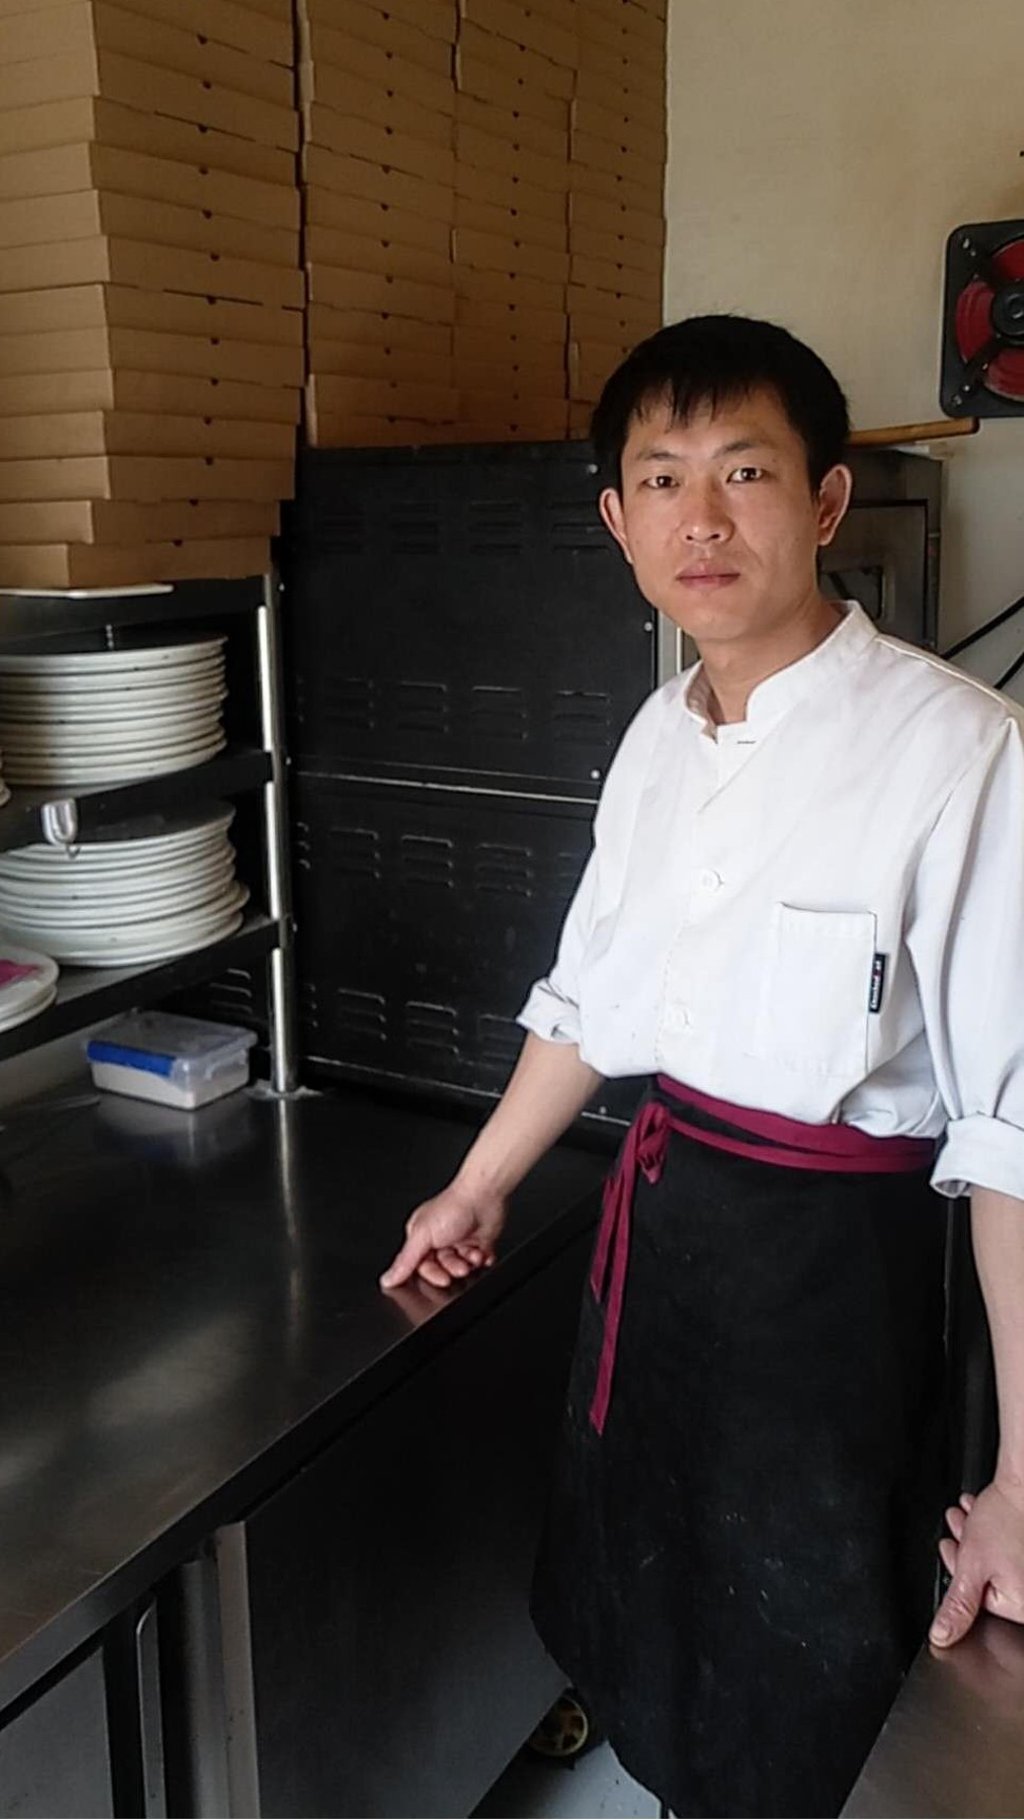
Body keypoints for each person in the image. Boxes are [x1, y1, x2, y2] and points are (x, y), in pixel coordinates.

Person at [380, 315, 1024, 1817]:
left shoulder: (961, 752)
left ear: (827, 501)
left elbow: (1012, 1130)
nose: (704, 519)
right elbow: (588, 997)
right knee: (656, 1600)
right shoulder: (656, 737)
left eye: (745, 470)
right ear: (619, 522)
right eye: (663, 481)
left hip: (839, 1294)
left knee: (814, 1661)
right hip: (663, 1253)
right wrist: (478, 1185)